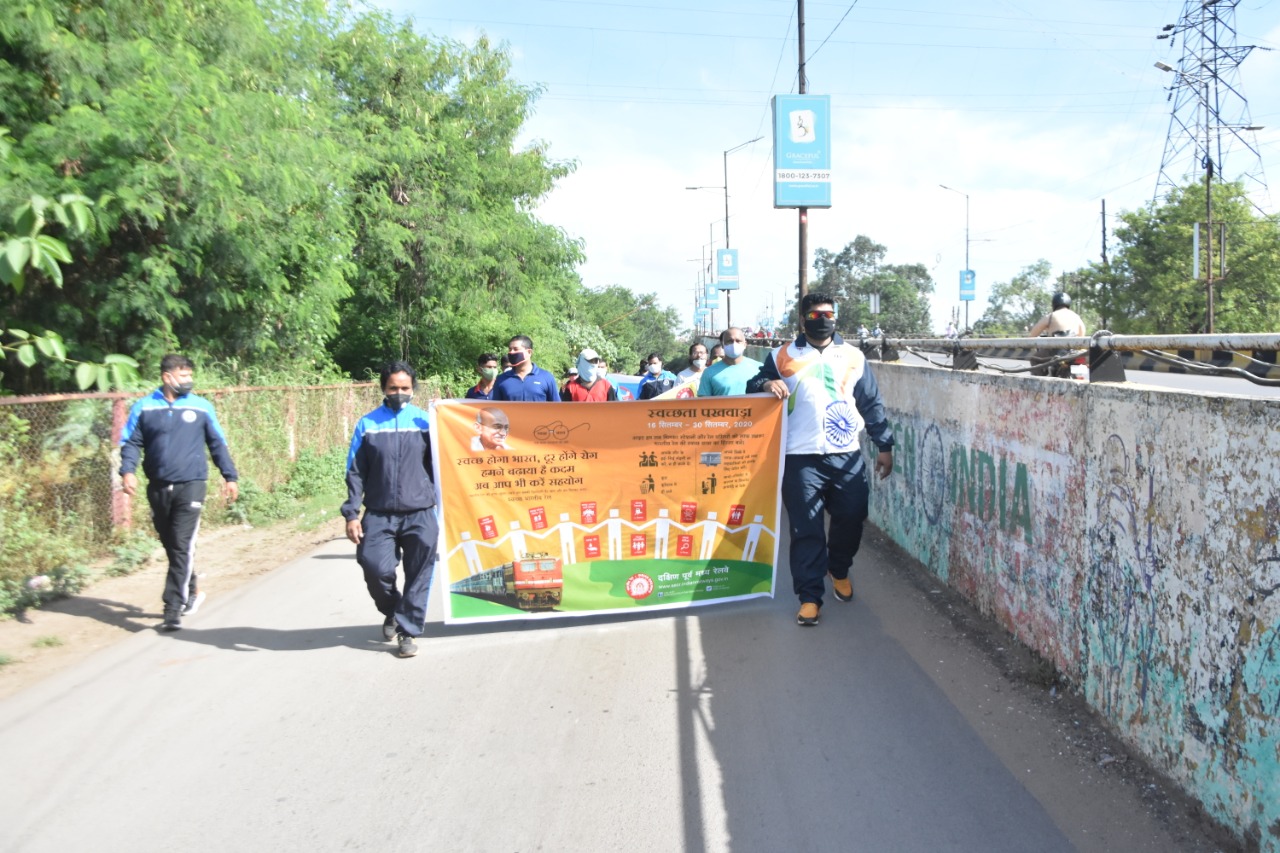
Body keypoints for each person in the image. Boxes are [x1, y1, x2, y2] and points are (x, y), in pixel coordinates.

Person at [747, 293, 894, 627]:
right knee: (806, 529)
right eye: (815, 315)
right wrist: (768, 382)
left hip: (846, 455)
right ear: (803, 320)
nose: (823, 319)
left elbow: (870, 402)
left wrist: (884, 444)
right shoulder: (782, 355)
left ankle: (838, 567)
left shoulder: (853, 356)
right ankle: (810, 597)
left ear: (836, 318)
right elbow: (753, 384)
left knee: (853, 515)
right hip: (800, 457)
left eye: (828, 314)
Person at [119, 354, 239, 632]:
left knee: (182, 543)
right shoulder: (144, 408)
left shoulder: (201, 407)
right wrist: (127, 471)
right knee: (171, 543)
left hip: (192, 484)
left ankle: (172, 608)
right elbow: (131, 443)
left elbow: (217, 444)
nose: (189, 381)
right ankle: (192, 589)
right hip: (158, 486)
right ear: (167, 377)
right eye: (183, 376)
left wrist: (229, 476)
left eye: (189, 376)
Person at [341, 361, 439, 658]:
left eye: (405, 388)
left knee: (419, 573)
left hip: (420, 512)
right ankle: (392, 610)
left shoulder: (426, 423)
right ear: (383, 388)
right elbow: (355, 471)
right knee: (375, 567)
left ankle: (407, 631)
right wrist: (351, 513)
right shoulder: (368, 425)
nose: (399, 393)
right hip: (380, 513)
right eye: (393, 387)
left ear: (414, 389)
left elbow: (445, 465)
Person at [492, 335, 561, 402]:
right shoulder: (501, 379)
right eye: (510, 349)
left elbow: (557, 408)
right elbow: (495, 409)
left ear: (529, 352)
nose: (511, 352)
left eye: (516, 349)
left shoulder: (546, 377)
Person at [699, 327, 762, 397]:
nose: (734, 344)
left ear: (745, 344)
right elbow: (703, 404)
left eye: (738, 341)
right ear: (722, 345)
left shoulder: (759, 368)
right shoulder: (709, 372)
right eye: (729, 341)